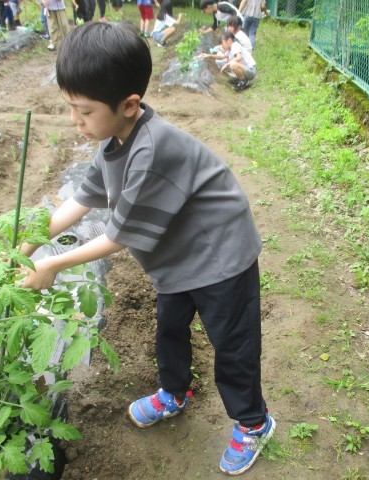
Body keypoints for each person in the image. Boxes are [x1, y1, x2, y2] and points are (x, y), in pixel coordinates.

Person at [20, 22, 275, 476]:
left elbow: (117, 236)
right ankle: (174, 392)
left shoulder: (152, 151)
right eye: (71, 109)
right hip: (178, 258)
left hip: (221, 256)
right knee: (169, 328)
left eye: (84, 111)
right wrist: (29, 242)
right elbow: (80, 200)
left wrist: (53, 264)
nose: (75, 122)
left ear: (129, 104)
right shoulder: (113, 141)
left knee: (231, 344)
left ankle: (253, 422)